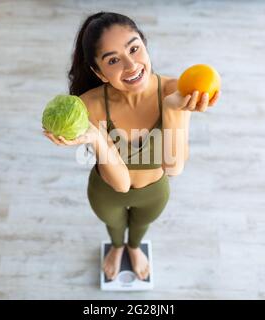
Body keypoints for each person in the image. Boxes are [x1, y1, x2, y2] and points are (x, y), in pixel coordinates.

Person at [43, 12, 220, 282]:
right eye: (113, 60)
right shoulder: (90, 105)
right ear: (98, 73)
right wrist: (97, 139)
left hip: (154, 192)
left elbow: (173, 167)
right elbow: (122, 184)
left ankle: (134, 248)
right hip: (108, 191)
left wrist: (173, 110)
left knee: (141, 226)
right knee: (114, 226)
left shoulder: (175, 90)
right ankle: (116, 248)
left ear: (145, 46)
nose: (131, 65)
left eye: (134, 48)